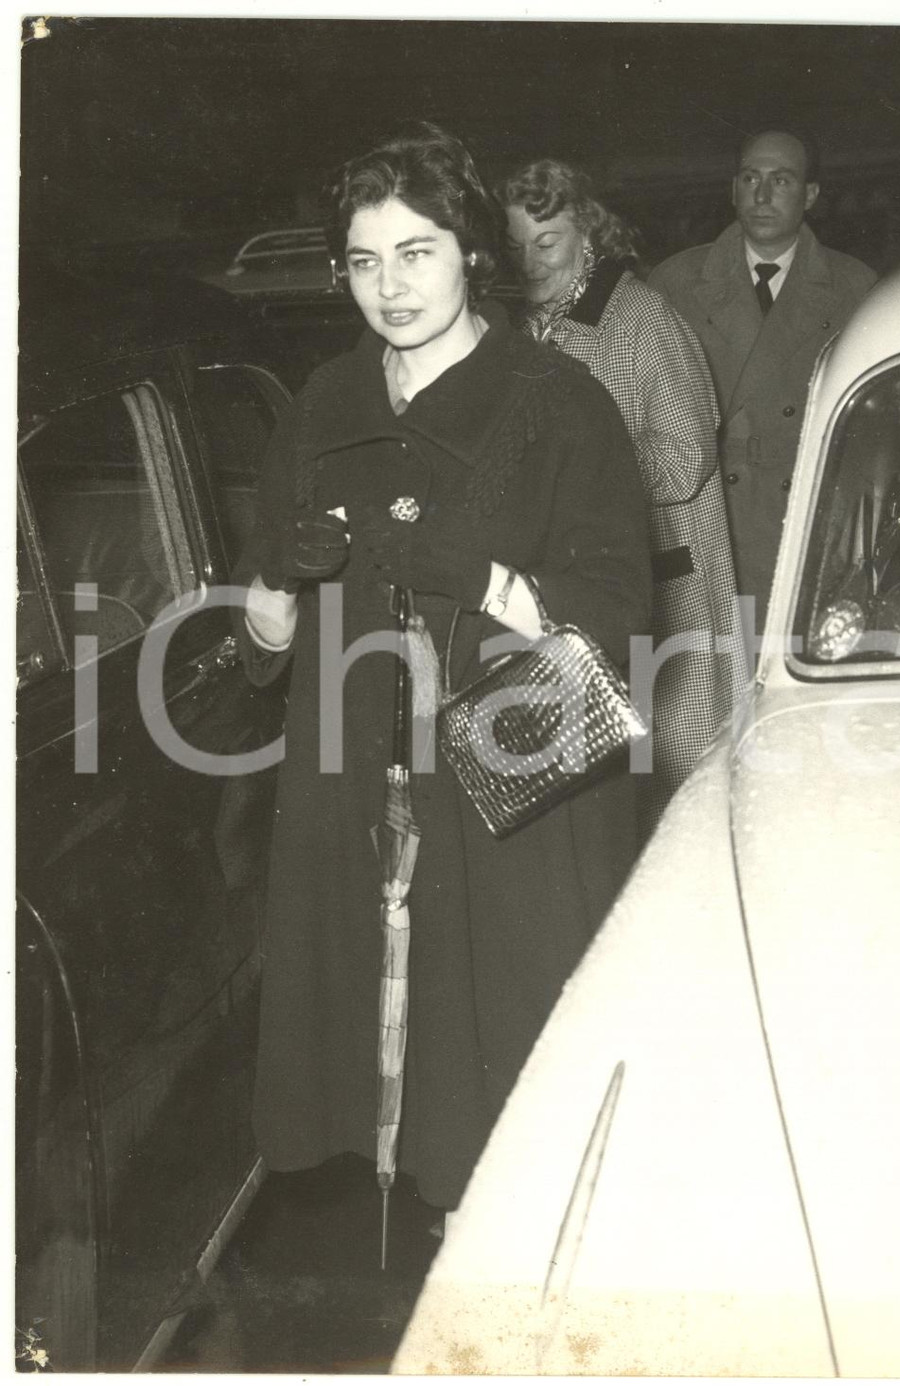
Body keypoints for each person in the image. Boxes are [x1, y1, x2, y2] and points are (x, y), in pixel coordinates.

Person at [234, 124, 652, 1217]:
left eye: (416, 251)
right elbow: (260, 655)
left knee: (505, 1108)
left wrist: (490, 578)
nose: (389, 286)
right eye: (364, 261)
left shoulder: (557, 405)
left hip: (503, 801)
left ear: (471, 249)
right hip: (349, 786)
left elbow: (621, 621)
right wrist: (277, 579)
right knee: (371, 1097)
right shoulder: (323, 401)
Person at [498, 158, 740, 828]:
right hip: (582, 593)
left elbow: (688, 456)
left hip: (670, 597)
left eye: (546, 244)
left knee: (678, 797)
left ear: (590, 234)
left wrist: (587, 474)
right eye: (515, 247)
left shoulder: (642, 319)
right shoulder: (521, 329)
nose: (531, 263)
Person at [648, 128, 877, 634]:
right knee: (685, 693)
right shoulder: (675, 282)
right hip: (699, 519)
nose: (762, 194)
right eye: (750, 178)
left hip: (801, 526)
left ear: (810, 196)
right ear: (733, 190)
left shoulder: (855, 287)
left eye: (781, 180)